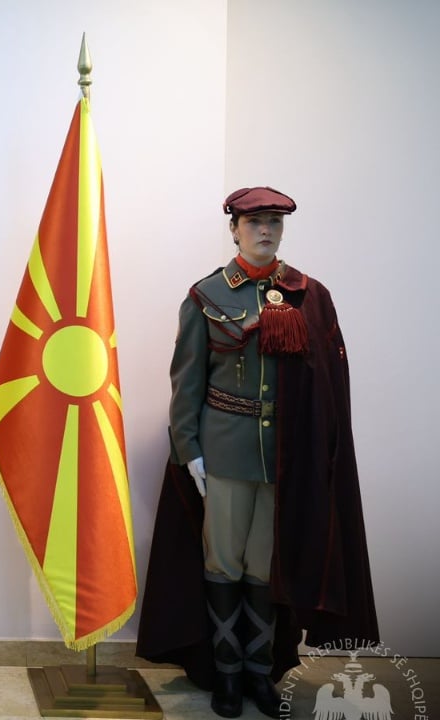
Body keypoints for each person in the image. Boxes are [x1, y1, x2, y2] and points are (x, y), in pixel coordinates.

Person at [135, 187, 377, 718]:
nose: (266, 230)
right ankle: (226, 674)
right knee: (223, 562)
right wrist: (189, 448)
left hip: (286, 455)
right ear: (234, 229)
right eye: (254, 221)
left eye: (274, 222)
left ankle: (259, 673)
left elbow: (328, 380)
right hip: (224, 450)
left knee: (265, 566)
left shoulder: (309, 296)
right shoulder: (206, 296)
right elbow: (186, 381)